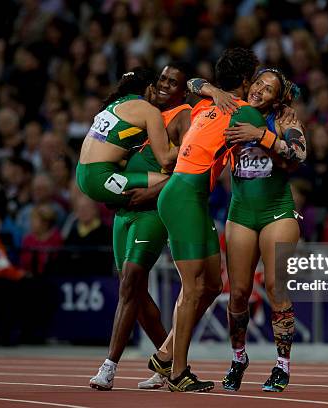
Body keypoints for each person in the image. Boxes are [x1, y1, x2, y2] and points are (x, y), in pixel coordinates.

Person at [153, 48, 268, 392]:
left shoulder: (204, 104)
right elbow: (266, 126)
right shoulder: (246, 111)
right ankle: (177, 373)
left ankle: (164, 355)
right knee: (192, 289)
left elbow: (192, 84)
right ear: (247, 82)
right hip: (183, 195)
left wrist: (211, 90)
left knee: (214, 286)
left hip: (188, 196)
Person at [188, 67, 306, 392]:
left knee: (276, 288)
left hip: (277, 211)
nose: (259, 91)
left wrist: (262, 136)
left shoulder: (284, 118)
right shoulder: (235, 107)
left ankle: (282, 366)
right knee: (238, 292)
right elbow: (191, 84)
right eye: (258, 83)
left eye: (268, 89)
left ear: (277, 97)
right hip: (240, 213)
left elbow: (300, 153)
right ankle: (238, 358)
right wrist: (215, 91)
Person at [88, 63, 193, 391]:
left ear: (182, 91)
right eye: (161, 79)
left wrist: (150, 191)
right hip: (124, 211)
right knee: (132, 288)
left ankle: (109, 366)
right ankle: (171, 363)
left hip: (151, 211)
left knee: (131, 281)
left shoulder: (183, 116)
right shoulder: (144, 112)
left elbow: (189, 168)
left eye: (172, 82)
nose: (164, 85)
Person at [76, 67, 177, 208]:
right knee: (174, 185)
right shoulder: (148, 110)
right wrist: (191, 143)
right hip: (101, 179)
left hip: (81, 174)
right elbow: (165, 159)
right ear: (150, 88)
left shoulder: (115, 104)